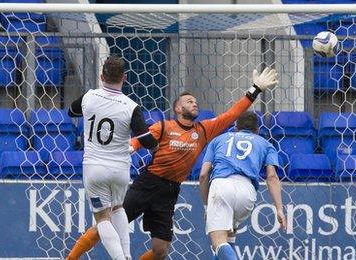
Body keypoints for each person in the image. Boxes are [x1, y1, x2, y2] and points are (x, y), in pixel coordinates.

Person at [66, 67, 278, 260]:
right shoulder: (165, 127)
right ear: (177, 108)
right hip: (148, 183)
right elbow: (141, 138)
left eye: (195, 102)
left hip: (169, 191)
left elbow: (232, 114)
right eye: (189, 101)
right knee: (104, 225)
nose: (194, 104)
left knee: (161, 250)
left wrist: (256, 89)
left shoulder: (203, 130)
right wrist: (131, 147)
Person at [67, 55, 159, 260]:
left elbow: (71, 111)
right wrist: (156, 146)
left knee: (102, 218)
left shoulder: (89, 96)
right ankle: (126, 255)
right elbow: (144, 138)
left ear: (101, 76)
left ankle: (120, 259)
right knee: (118, 208)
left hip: (95, 167)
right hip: (120, 169)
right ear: (124, 78)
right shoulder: (130, 106)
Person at [199, 111, 286, 260]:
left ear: (235, 127)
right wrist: (279, 208)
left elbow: (203, 175)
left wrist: (207, 205)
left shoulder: (219, 139)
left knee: (218, 243)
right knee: (229, 237)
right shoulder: (266, 144)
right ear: (258, 130)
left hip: (222, 185)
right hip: (247, 191)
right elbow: (271, 177)